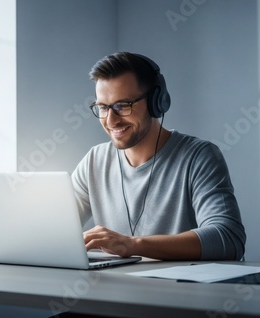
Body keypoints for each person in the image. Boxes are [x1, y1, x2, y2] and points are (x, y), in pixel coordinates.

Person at [71, 52, 246, 260]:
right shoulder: (94, 161)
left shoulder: (199, 156)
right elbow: (53, 230)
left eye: (123, 106)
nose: (111, 120)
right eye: (102, 107)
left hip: (179, 290)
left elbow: (227, 238)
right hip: (115, 290)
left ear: (157, 102)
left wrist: (133, 244)